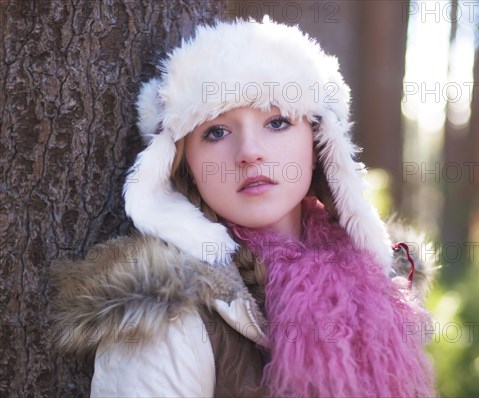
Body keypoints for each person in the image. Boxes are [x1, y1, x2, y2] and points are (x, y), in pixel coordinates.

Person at [51, 16, 436, 397]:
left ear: (318, 143)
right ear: (183, 163)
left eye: (277, 122)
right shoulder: (167, 316)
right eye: (216, 132)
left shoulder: (384, 284)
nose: (250, 152)